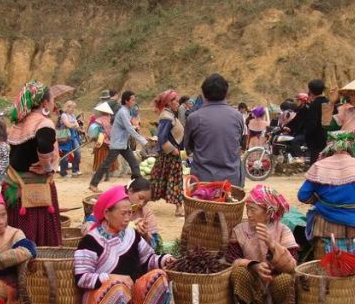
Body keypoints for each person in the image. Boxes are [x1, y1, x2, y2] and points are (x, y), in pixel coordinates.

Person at [74, 185, 175, 304]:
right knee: (118, 288)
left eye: (130, 212)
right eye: (123, 213)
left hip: (131, 301)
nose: (128, 218)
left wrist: (164, 260)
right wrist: (112, 278)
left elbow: (148, 259)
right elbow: (82, 278)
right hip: (103, 301)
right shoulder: (90, 241)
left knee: (160, 276)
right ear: (107, 213)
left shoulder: (131, 235)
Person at [298, 132, 355, 256]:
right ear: (350, 146)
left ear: (329, 146)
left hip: (326, 227)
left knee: (330, 266)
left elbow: (303, 195)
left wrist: (318, 201)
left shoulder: (319, 166)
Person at [226, 185, 298, 304]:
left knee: (286, 279)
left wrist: (272, 245)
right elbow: (231, 260)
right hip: (253, 285)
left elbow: (293, 266)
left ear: (268, 213)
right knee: (238, 273)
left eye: (254, 210)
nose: (249, 214)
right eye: (248, 209)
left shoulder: (283, 230)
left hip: (275, 283)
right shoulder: (240, 231)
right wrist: (253, 266)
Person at [4, 80, 62, 246]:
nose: (53, 104)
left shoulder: (20, 122)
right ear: (44, 102)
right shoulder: (43, 123)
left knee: (16, 231)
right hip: (34, 189)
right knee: (35, 236)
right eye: (52, 100)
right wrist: (47, 168)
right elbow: (44, 146)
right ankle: (36, 265)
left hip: (14, 185)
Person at [183, 73, 245, 186]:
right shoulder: (237, 116)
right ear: (226, 92)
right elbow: (238, 141)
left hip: (202, 182)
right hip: (231, 182)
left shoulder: (194, 118)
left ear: (203, 94)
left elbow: (189, 147)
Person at [88, 91, 146, 192]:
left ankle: (137, 185)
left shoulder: (126, 112)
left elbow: (127, 127)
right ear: (126, 101)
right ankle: (93, 184)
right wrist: (143, 141)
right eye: (132, 99)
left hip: (122, 143)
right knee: (106, 164)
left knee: (134, 164)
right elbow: (129, 128)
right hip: (117, 144)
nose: (134, 101)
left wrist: (134, 128)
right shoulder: (123, 112)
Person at [82, 178, 161, 250]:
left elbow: (154, 245)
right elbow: (88, 228)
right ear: (130, 191)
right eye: (140, 197)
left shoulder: (146, 214)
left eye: (146, 201)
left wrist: (145, 235)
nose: (141, 203)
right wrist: (128, 228)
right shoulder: (114, 205)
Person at [150, 89, 185, 217]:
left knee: (159, 179)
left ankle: (178, 206)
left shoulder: (170, 114)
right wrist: (173, 150)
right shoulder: (166, 117)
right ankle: (179, 208)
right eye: (175, 100)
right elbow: (162, 137)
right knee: (174, 180)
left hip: (169, 155)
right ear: (169, 103)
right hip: (169, 155)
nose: (177, 102)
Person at [90, 101, 117, 180]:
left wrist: (93, 137)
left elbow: (95, 131)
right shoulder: (111, 119)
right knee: (108, 158)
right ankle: (107, 176)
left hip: (101, 141)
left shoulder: (98, 120)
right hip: (110, 141)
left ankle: (99, 176)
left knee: (100, 159)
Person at [304, 79, 329, 164]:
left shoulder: (314, 105)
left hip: (316, 141)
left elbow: (311, 125)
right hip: (329, 140)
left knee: (316, 165)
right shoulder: (329, 103)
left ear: (310, 90)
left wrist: (307, 136)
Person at [57, 100, 83, 178]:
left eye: (74, 108)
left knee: (78, 152)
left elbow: (77, 126)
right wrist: (75, 124)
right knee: (66, 154)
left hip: (73, 136)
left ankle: (75, 170)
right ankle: (63, 172)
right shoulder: (64, 115)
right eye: (72, 108)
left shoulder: (73, 116)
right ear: (67, 107)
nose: (73, 110)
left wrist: (77, 126)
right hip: (66, 136)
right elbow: (68, 125)